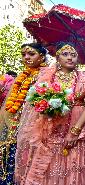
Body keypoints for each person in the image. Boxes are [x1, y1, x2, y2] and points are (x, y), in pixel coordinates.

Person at [15, 42, 85, 184]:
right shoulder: (49, 76)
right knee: (51, 166)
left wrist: (75, 131)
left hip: (77, 127)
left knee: (75, 163)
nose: (70, 58)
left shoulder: (84, 76)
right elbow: (38, 102)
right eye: (65, 54)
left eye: (73, 55)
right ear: (57, 57)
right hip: (52, 128)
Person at [0, 43, 47, 184]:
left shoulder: (45, 75)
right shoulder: (22, 75)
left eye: (31, 54)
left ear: (42, 57)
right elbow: (9, 103)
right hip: (14, 124)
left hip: (34, 128)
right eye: (24, 54)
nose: (26, 57)